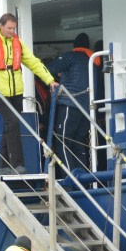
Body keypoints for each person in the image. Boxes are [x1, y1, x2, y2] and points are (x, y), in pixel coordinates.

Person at [0, 13, 57, 174]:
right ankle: (17, 164)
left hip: (17, 91)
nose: (12, 31)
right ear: (0, 26)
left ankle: (3, 166)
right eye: (9, 28)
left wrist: (49, 80)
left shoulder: (18, 43)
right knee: (13, 122)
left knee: (10, 126)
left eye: (14, 28)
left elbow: (33, 62)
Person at [48, 32, 99, 171]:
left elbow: (49, 69)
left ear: (74, 45)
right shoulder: (93, 62)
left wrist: (58, 74)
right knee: (78, 144)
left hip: (70, 104)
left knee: (62, 142)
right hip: (87, 108)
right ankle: (83, 180)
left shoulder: (71, 57)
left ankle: (70, 180)